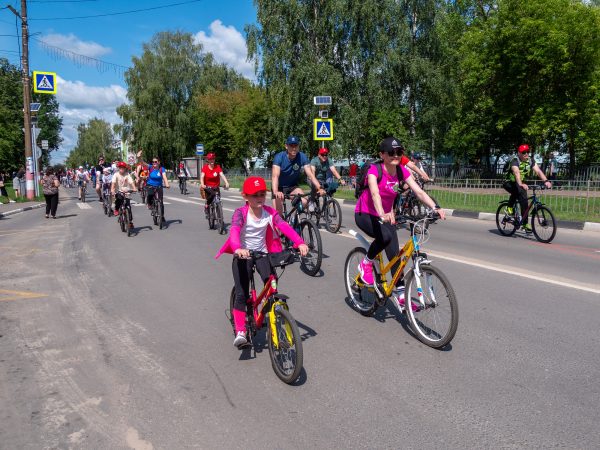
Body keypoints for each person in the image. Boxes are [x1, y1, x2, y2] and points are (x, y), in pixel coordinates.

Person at [215, 176, 309, 348]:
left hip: (262, 254)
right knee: (242, 293)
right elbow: (234, 230)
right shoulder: (241, 213)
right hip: (242, 255)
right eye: (254, 195)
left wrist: (300, 242)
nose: (259, 198)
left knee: (272, 286)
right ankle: (241, 330)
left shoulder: (269, 212)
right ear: (245, 197)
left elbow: (284, 227)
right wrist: (237, 248)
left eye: (262, 194)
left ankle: (272, 316)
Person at [355, 137, 444, 308]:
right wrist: (382, 213)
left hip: (386, 215)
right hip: (365, 213)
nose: (395, 156)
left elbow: (418, 192)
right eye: (391, 153)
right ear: (382, 154)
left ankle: (401, 294)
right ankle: (366, 263)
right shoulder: (375, 169)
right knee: (385, 237)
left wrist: (435, 207)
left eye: (399, 152)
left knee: (395, 255)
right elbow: (375, 193)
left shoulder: (402, 171)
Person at [503, 144, 552, 233]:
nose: (526, 154)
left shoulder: (530, 160)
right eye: (523, 152)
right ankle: (509, 208)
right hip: (508, 182)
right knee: (516, 191)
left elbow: (538, 171)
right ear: (519, 153)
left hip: (520, 183)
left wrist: (546, 181)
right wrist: (521, 184)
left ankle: (525, 224)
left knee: (525, 203)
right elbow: (516, 172)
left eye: (527, 152)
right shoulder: (515, 160)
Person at [271, 136, 324, 214]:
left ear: (298, 146)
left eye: (296, 145)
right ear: (286, 146)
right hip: (278, 188)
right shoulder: (279, 157)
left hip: (292, 187)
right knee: (278, 215)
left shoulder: (302, 156)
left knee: (305, 202)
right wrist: (275, 191)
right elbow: (275, 176)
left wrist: (319, 188)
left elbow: (310, 174)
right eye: (291, 146)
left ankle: (294, 219)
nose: (294, 148)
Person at [200, 153, 229, 217]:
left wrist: (226, 182)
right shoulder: (205, 168)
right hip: (208, 187)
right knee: (212, 194)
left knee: (218, 201)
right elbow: (202, 177)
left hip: (216, 187)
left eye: (213, 159)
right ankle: (207, 206)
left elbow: (222, 175)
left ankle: (220, 218)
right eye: (210, 159)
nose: (212, 161)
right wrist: (202, 184)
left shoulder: (217, 167)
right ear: (208, 160)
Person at [111, 162, 137, 226]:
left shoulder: (127, 174)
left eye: (123, 168)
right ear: (118, 168)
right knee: (118, 200)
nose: (121, 169)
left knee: (128, 206)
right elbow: (113, 184)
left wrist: (134, 188)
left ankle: (130, 221)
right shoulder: (116, 175)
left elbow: (131, 182)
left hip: (126, 192)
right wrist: (112, 190)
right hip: (119, 191)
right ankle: (116, 209)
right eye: (120, 167)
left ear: (125, 168)